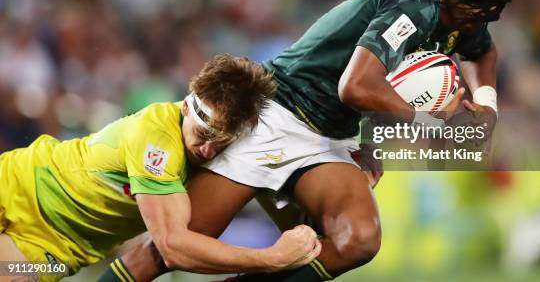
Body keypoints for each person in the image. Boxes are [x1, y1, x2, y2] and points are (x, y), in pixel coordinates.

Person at [110, 0, 527, 282]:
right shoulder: (414, 3)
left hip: (330, 134)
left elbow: (483, 52)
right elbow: (356, 85)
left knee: (357, 240)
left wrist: (487, 107)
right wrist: (437, 125)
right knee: (172, 248)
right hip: (274, 115)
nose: (497, 4)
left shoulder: (467, 16)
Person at [0, 54, 322, 282]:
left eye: (220, 142)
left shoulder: (229, 147)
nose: (207, 150)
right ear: (186, 104)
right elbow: (173, 247)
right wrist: (271, 258)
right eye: (204, 134)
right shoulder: (156, 137)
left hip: (59, 251)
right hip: (15, 184)